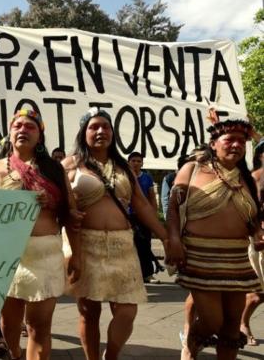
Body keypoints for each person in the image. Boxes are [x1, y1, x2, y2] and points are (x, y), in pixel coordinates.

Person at [61, 107, 183, 360]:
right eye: (93, 127)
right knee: (88, 312)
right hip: (85, 244)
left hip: (122, 245)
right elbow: (60, 206)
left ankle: (111, 356)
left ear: (113, 133)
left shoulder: (123, 166)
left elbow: (140, 205)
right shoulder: (70, 165)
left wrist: (164, 236)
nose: (100, 131)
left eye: (105, 127)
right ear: (83, 132)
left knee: (127, 311)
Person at [167, 109, 263, 360]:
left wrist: (258, 232)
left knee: (231, 327)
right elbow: (173, 208)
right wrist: (174, 239)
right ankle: (191, 343)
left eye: (242, 141)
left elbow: (251, 214)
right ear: (213, 144)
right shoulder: (193, 169)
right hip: (200, 256)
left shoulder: (246, 178)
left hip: (237, 259)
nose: (237, 145)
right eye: (229, 139)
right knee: (211, 321)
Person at [0, 109, 81, 360]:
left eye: (30, 127)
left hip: (46, 254)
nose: (23, 130)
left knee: (39, 325)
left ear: (40, 135)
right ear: (10, 131)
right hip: (6, 256)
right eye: (18, 125)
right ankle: (15, 355)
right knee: (9, 325)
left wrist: (77, 256)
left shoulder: (53, 170)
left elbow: (70, 215)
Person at [240, 138, 264, 346]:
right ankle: (243, 323)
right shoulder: (254, 179)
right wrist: (257, 232)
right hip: (260, 241)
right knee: (258, 294)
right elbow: (248, 212)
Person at [127, 151, 164, 283]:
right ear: (128, 162)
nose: (136, 163)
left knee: (145, 245)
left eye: (139, 161)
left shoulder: (147, 178)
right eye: (133, 161)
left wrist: (153, 215)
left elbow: (152, 197)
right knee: (129, 246)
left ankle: (147, 274)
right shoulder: (124, 176)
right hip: (128, 216)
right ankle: (131, 275)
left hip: (144, 216)